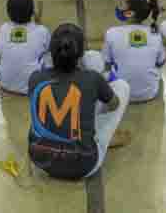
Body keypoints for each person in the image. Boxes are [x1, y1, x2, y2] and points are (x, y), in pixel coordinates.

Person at [28, 23, 131, 180]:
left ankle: (88, 132)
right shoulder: (92, 78)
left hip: (41, 162)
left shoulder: (35, 77)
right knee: (122, 87)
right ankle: (101, 138)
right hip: (84, 166)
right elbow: (114, 105)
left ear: (51, 52)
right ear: (80, 55)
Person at [104, 0, 165, 102]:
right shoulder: (155, 33)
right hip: (150, 93)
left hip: (120, 94)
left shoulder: (111, 33)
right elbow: (160, 62)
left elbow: (106, 64)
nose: (118, 6)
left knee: (95, 60)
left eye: (121, 4)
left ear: (129, 13)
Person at [0, 0, 51, 94]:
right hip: (32, 87)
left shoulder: (3, 28)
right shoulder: (42, 31)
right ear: (32, 12)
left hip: (5, 84)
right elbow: (48, 49)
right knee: (52, 54)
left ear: (8, 12)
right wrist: (39, 24)